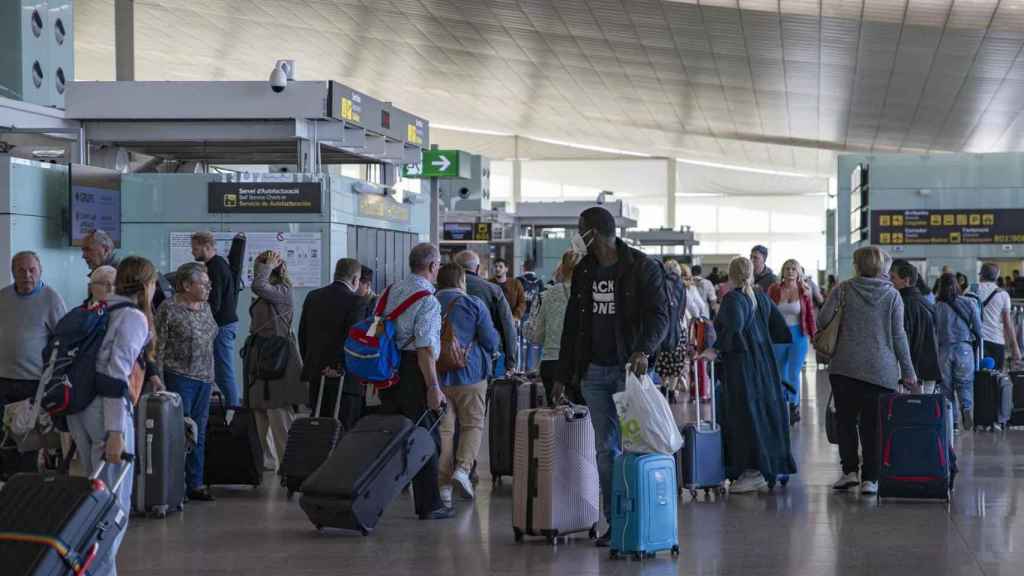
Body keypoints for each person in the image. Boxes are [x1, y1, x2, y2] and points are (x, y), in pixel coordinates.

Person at [554, 206, 669, 547]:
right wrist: (563, 374)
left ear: (594, 232)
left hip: (628, 373)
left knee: (636, 444)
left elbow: (660, 316)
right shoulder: (585, 270)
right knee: (605, 449)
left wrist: (644, 350)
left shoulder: (641, 267)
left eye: (579, 229)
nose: (576, 235)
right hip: (593, 373)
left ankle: (640, 516)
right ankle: (616, 520)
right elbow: (573, 325)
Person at [67, 256, 154, 576]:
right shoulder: (131, 316)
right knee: (114, 505)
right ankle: (97, 572)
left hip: (81, 411)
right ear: (146, 284)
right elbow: (115, 374)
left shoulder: (99, 309)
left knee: (95, 501)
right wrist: (117, 431)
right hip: (107, 414)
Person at [821, 246, 916, 496]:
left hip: (845, 368)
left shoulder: (842, 289)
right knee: (873, 426)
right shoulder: (892, 296)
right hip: (881, 371)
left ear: (857, 265)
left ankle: (849, 471)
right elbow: (899, 336)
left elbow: (822, 320)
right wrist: (909, 371)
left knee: (846, 422)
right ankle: (871, 479)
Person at [703, 257, 795, 493]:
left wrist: (715, 349)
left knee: (742, 416)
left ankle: (751, 470)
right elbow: (782, 330)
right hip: (764, 365)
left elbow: (734, 326)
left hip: (742, 367)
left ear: (730, 276)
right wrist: (760, 340)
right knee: (763, 413)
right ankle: (767, 466)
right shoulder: (761, 298)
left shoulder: (733, 299)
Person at [378, 243, 451, 520]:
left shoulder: (390, 291)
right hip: (414, 371)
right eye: (439, 265)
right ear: (432, 266)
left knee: (393, 435)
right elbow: (425, 349)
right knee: (426, 437)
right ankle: (429, 504)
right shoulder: (428, 300)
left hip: (387, 369)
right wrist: (433, 387)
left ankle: (377, 493)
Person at [434, 263, 500, 507]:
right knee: (472, 424)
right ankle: (462, 470)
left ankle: (443, 489)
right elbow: (491, 341)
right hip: (470, 375)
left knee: (444, 431)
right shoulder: (473, 304)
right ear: (461, 281)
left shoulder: (429, 303)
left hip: (437, 377)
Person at [156, 262, 219, 501]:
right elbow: (158, 347)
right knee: (178, 432)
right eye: (203, 284)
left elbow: (211, 342)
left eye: (208, 284)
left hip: (204, 378)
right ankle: (173, 484)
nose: (208, 288)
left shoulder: (205, 307)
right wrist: (159, 380)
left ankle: (196, 483)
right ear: (185, 285)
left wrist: (214, 380)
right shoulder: (168, 308)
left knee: (199, 432)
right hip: (178, 376)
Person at [0, 251, 67, 475]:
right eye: (21, 270)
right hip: (3, 378)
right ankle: (6, 482)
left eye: (32, 270)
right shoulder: (3, 297)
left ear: (40, 272)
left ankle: (26, 483)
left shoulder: (51, 298)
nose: (27, 275)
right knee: (4, 436)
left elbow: (62, 341)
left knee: (27, 438)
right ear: (13, 272)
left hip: (33, 381)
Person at [245, 251, 305, 473]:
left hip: (279, 359)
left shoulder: (283, 291)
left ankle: (288, 464)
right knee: (259, 409)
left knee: (279, 412)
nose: (255, 271)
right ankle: (267, 461)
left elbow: (259, 286)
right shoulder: (266, 294)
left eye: (258, 267)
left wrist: (266, 265)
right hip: (261, 357)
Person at [298, 258, 368, 431]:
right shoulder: (357, 302)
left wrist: (313, 363)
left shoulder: (313, 297)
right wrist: (339, 366)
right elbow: (355, 340)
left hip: (316, 375)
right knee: (343, 433)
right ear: (354, 279)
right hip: (344, 381)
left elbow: (303, 335)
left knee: (319, 432)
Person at [191, 231, 241, 407]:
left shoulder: (215, 268)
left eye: (195, 248)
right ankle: (232, 408)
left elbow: (215, 303)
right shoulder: (218, 264)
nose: (192, 252)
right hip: (225, 324)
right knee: (221, 370)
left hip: (222, 325)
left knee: (224, 371)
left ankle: (234, 410)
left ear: (207, 246)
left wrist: (195, 318)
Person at [767, 259, 817, 424]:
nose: (790, 272)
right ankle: (782, 405)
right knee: (781, 373)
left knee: (794, 372)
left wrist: (814, 335)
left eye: (793, 269)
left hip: (799, 335)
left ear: (798, 272)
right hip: (778, 336)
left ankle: (793, 406)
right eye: (787, 269)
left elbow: (809, 314)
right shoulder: (774, 289)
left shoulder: (804, 290)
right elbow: (767, 312)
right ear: (782, 271)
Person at [454, 251, 517, 373]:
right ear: (477, 268)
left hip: (448, 355)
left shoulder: (441, 290)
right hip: (483, 356)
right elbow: (508, 326)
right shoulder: (493, 289)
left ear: (455, 268)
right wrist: (510, 362)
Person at [934, 272, 982, 431]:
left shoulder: (936, 306)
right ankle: (966, 408)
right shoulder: (969, 303)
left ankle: (952, 422)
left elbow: (934, 331)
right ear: (957, 285)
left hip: (943, 350)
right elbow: (978, 329)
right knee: (965, 384)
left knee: (946, 388)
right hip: (964, 348)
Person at [528, 251, 577, 404]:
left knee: (555, 421)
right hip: (580, 364)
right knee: (584, 421)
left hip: (551, 363)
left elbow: (536, 336)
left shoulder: (547, 295)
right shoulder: (592, 294)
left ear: (562, 268)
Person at [891, 260, 941, 394]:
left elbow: (902, 339)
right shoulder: (927, 303)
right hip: (930, 370)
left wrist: (905, 372)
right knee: (925, 412)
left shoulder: (902, 304)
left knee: (905, 412)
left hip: (911, 375)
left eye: (893, 278)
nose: (891, 282)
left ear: (906, 280)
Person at [654, 260, 690, 402]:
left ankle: (663, 387)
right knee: (676, 362)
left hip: (663, 330)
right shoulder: (682, 286)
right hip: (679, 329)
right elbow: (684, 308)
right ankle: (672, 391)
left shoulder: (661, 284)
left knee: (663, 360)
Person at [977, 263, 1022, 371]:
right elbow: (1007, 323)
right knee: (996, 379)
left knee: (976, 378)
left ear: (981, 275)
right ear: (997, 277)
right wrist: (1015, 347)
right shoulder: (1003, 294)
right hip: (996, 341)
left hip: (976, 341)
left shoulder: (972, 289)